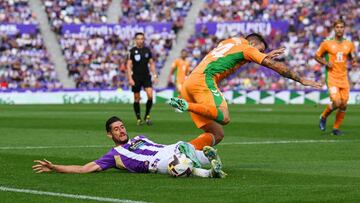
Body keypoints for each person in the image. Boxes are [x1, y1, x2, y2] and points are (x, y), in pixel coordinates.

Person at [169, 33, 322, 150]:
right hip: (203, 80)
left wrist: (261, 55)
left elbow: (230, 56)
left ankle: (185, 150)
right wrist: (301, 79)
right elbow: (275, 66)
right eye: (260, 50)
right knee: (224, 116)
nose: (259, 53)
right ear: (253, 42)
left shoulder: (230, 41)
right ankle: (186, 105)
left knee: (217, 134)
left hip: (189, 82)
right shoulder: (248, 48)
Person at [32, 116, 226, 178]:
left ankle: (209, 160)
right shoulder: (113, 155)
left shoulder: (140, 137)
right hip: (158, 163)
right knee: (180, 165)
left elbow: (160, 145)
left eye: (122, 127)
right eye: (116, 129)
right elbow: (85, 168)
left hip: (169, 149)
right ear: (110, 135)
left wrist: (176, 147)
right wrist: (55, 167)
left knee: (183, 146)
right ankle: (208, 171)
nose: (121, 130)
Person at [315, 19, 358, 136]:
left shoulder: (349, 44)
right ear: (334, 29)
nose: (339, 29)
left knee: (344, 104)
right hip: (332, 77)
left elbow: (352, 56)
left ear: (344, 29)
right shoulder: (327, 43)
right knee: (337, 102)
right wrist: (325, 63)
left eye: (341, 27)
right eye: (337, 27)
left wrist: (354, 61)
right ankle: (323, 116)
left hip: (344, 78)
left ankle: (335, 129)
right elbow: (316, 56)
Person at [127, 32, 158, 126]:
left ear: (143, 40)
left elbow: (151, 64)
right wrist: (130, 79)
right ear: (135, 40)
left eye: (142, 39)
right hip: (136, 77)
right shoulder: (132, 51)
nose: (140, 40)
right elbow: (128, 66)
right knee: (137, 98)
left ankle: (147, 116)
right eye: (138, 39)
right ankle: (139, 118)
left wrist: (155, 75)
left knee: (150, 95)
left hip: (146, 76)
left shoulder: (147, 50)